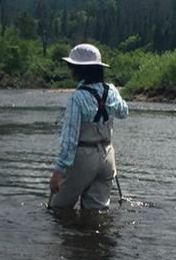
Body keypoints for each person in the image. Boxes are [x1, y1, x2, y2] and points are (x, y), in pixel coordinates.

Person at [48, 44, 128, 210]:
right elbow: (123, 112)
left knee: (58, 209)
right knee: (96, 212)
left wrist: (58, 171)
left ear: (79, 70)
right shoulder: (112, 90)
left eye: (72, 67)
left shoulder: (77, 98)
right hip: (107, 156)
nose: (70, 71)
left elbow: (70, 140)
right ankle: (95, 236)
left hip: (83, 157)